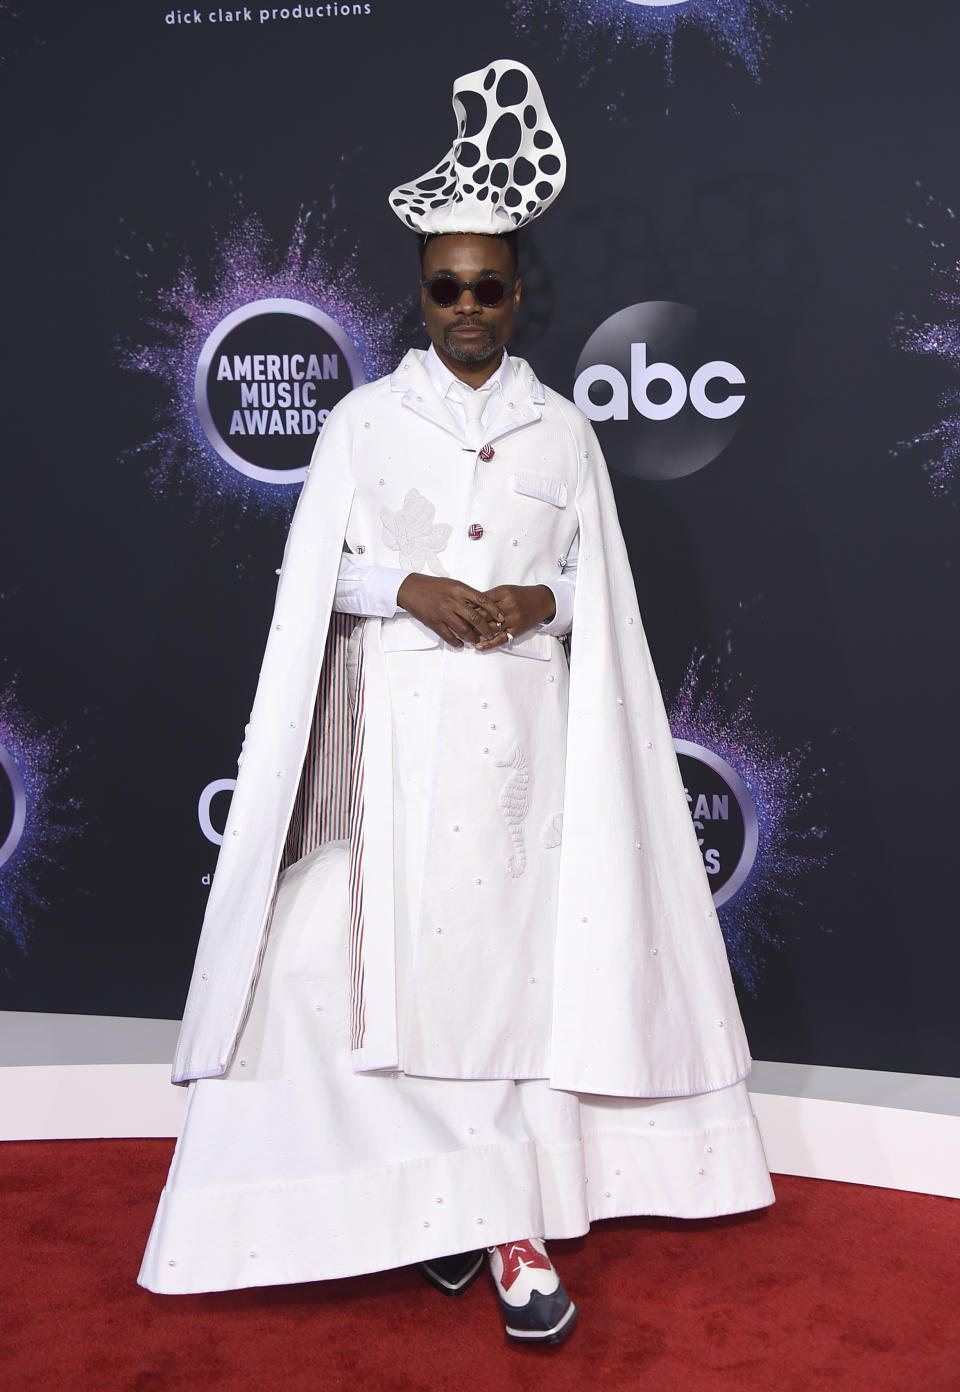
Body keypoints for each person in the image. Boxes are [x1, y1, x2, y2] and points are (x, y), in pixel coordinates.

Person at [139, 60, 773, 1347]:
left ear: (519, 293)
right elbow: (321, 576)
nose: (469, 307)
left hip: (531, 754)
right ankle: (455, 1209)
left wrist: (539, 605)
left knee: (517, 986)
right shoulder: (363, 426)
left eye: (490, 286)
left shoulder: (563, 433)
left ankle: (506, 1220)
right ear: (418, 294)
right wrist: (411, 584)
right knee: (355, 972)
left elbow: (602, 592)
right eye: (447, 287)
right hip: (401, 745)